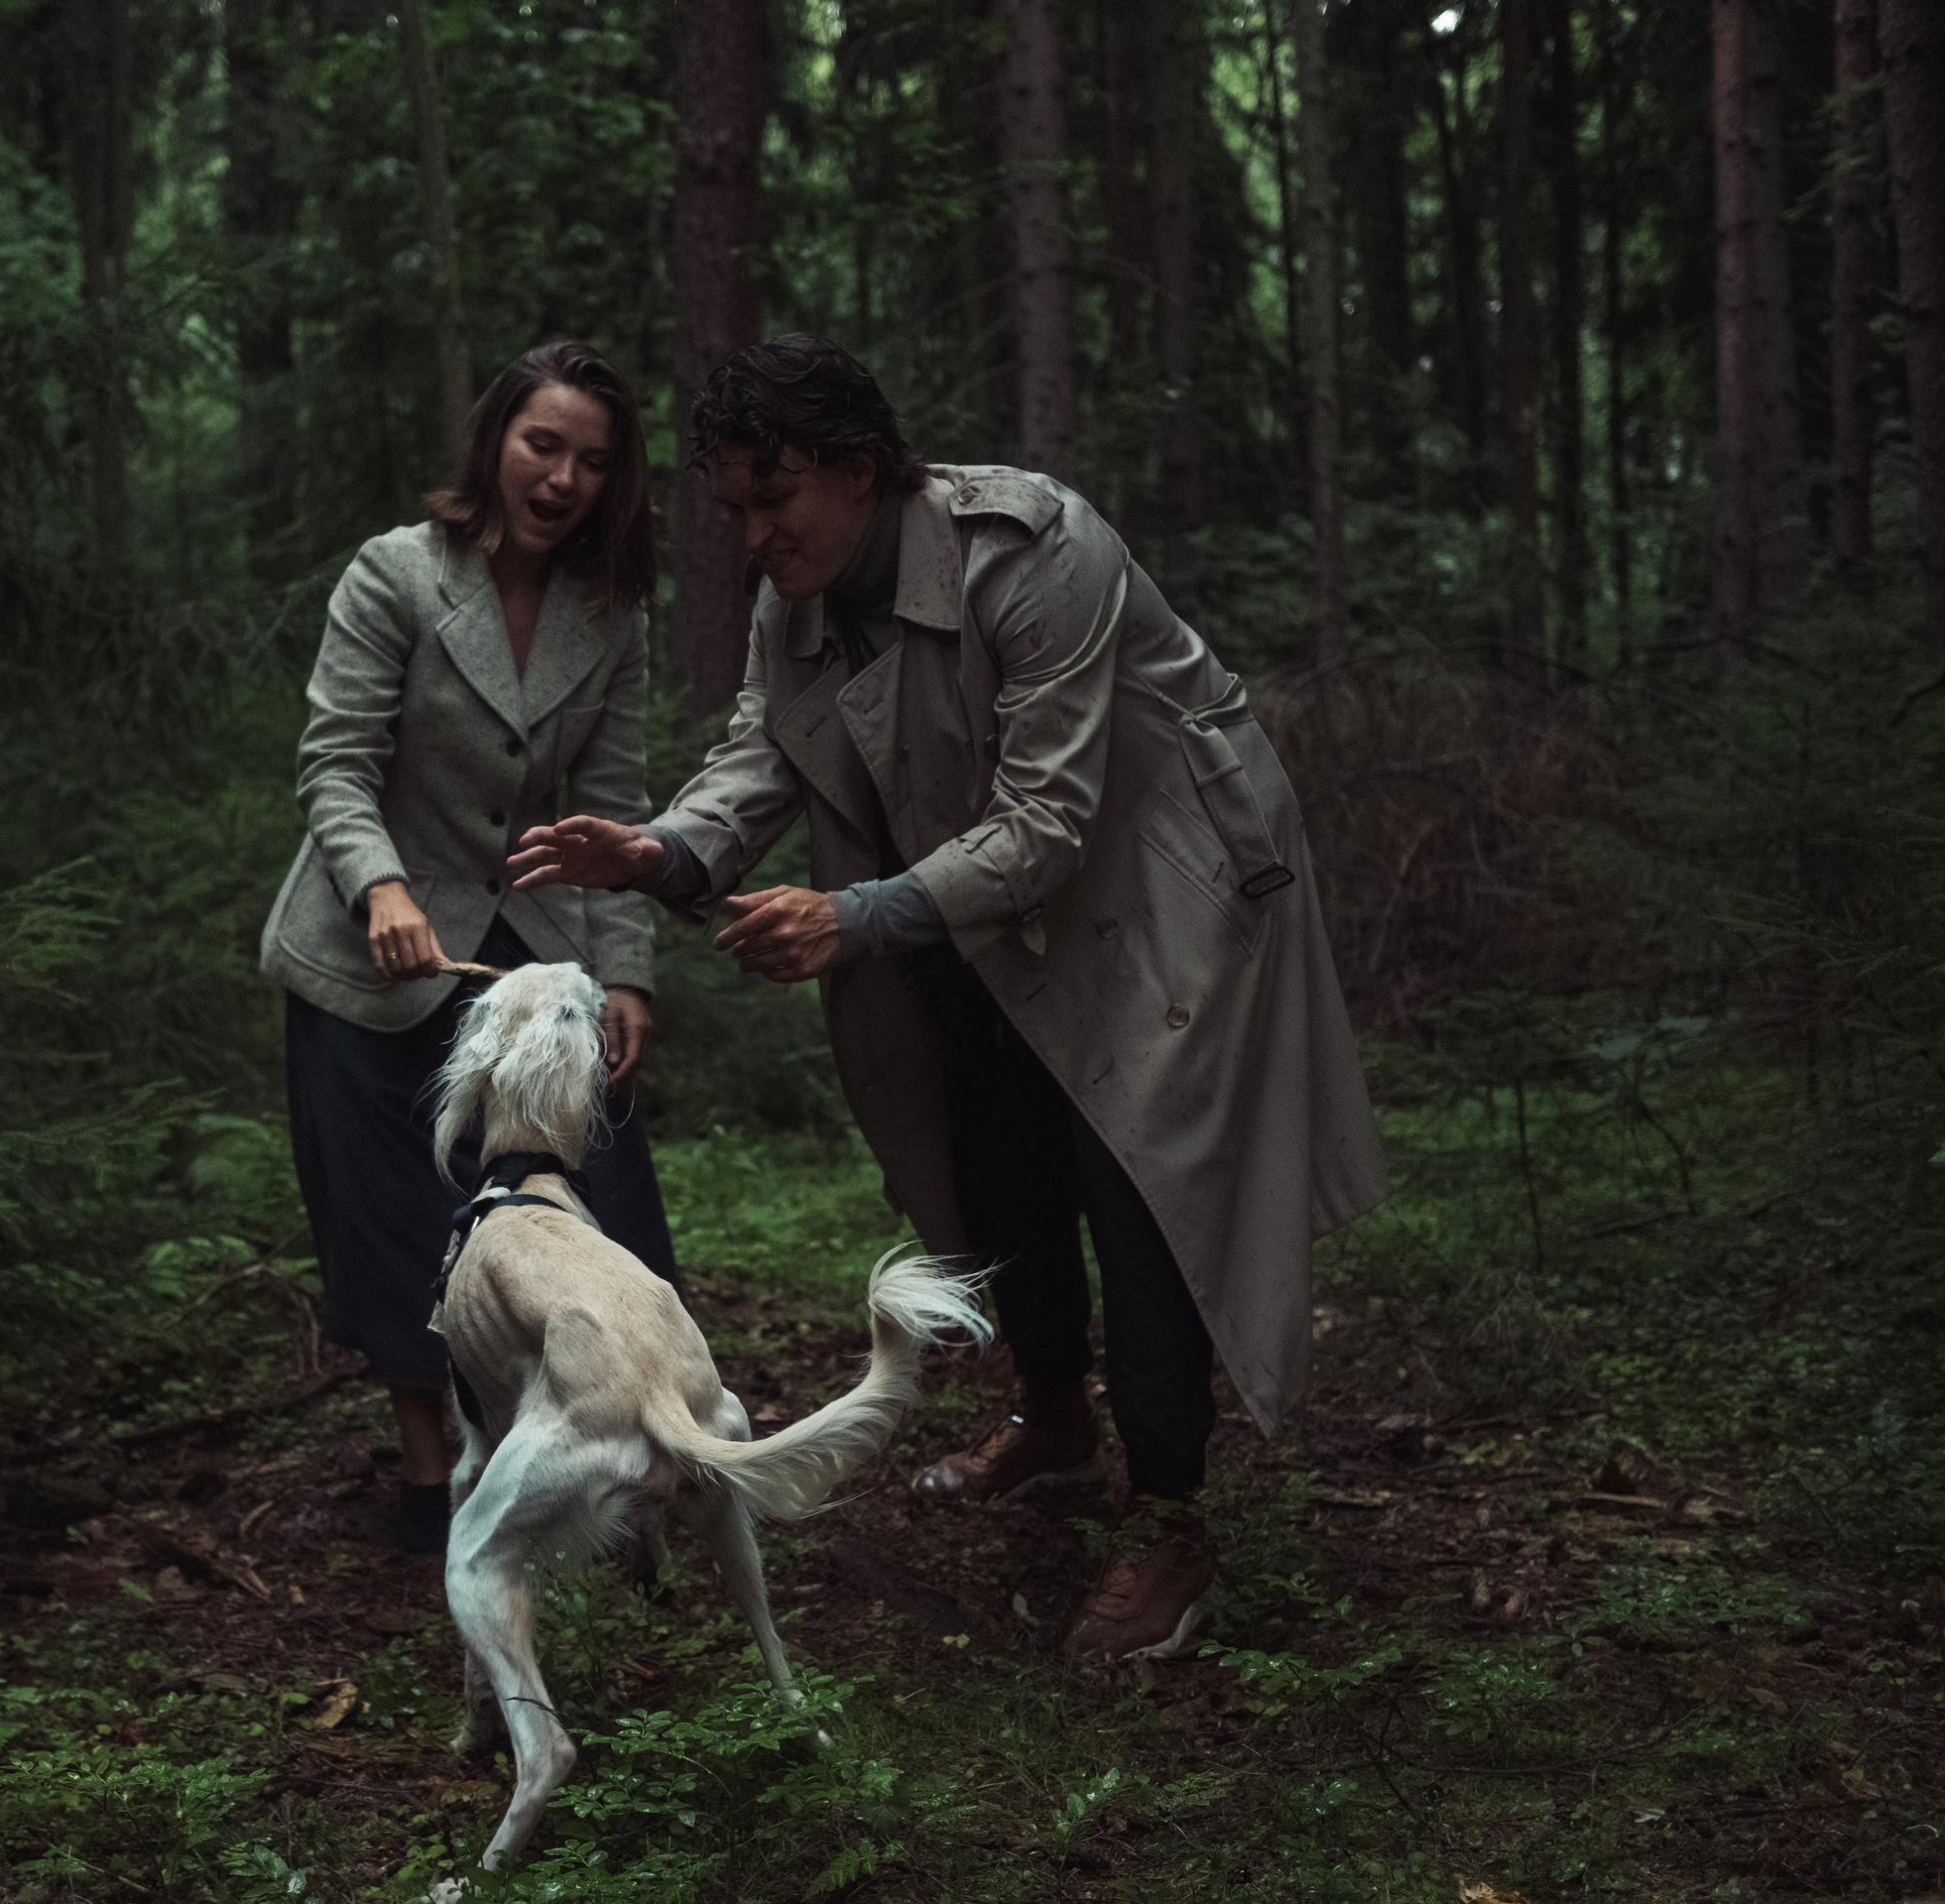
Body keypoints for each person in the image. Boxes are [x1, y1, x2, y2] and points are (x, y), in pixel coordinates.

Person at [509, 335, 1386, 1662]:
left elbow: (1052, 815)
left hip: (1162, 896)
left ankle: (1172, 1518)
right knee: (989, 1151)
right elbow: (759, 752)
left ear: (858, 471)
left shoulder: (1033, 549)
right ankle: (1052, 1414)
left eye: (775, 500)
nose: (750, 536)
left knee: (1139, 1184)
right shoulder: (793, 597)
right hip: (976, 906)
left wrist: (852, 917)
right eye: (731, 508)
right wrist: (659, 851)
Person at [258, 340, 677, 1556]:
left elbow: (616, 800)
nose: (561, 478)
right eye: (542, 444)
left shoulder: (609, 611)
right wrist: (381, 887)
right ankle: (433, 1484)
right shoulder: (397, 573)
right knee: (392, 1214)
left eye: (591, 461)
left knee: (603, 1198)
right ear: (495, 438)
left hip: (537, 953)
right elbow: (334, 760)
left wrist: (630, 971)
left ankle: (626, 1468)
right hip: (372, 954)